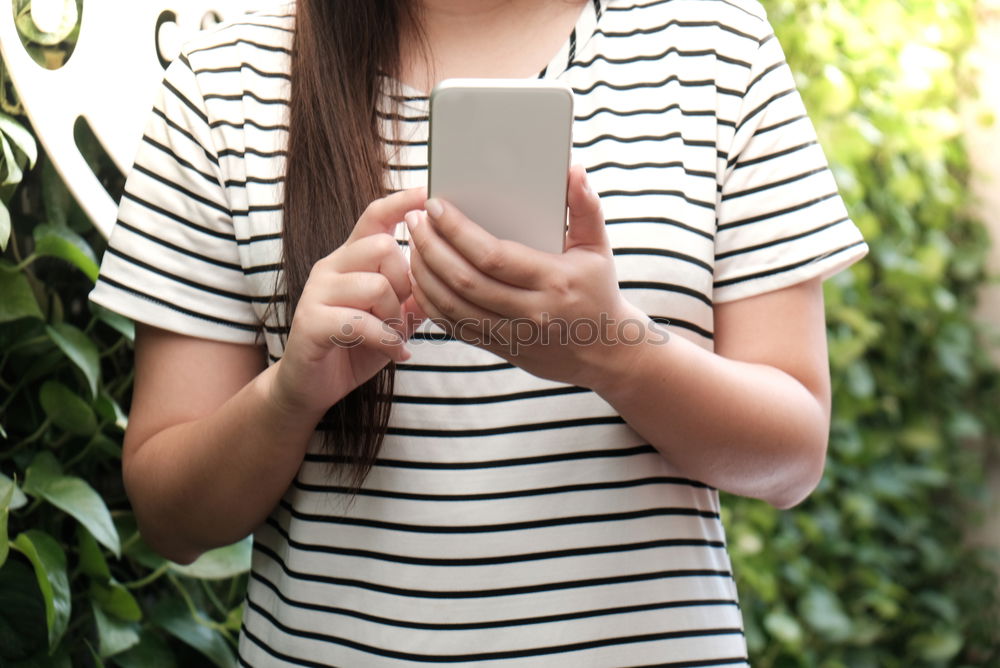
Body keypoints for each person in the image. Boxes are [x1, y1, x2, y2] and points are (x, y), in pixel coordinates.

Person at [90, 0, 868, 664]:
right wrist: (291, 393)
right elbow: (171, 515)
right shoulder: (223, 81)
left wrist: (615, 352)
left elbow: (792, 455)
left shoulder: (713, 45)